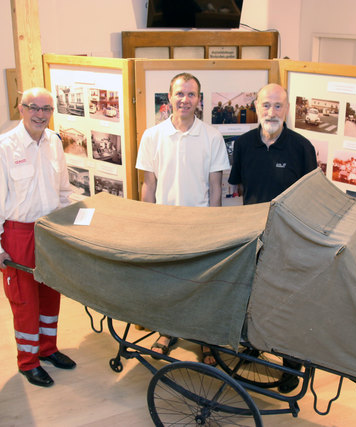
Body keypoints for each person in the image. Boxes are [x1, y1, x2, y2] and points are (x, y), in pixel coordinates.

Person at [0, 87, 76, 388]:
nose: (40, 114)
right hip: (18, 235)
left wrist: (70, 227)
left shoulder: (55, 142)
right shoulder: (2, 148)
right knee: (24, 302)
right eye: (33, 107)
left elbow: (63, 191)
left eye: (46, 109)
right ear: (20, 109)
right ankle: (28, 362)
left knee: (50, 295)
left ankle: (48, 350)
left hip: (49, 232)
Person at [228, 83, 317, 393]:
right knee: (253, 297)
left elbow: (311, 195)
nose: (271, 112)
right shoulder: (242, 145)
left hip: (290, 240)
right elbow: (240, 189)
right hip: (254, 235)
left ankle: (291, 366)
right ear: (256, 106)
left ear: (287, 109)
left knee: (286, 303)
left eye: (278, 106)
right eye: (266, 105)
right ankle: (254, 347)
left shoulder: (302, 148)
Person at [135, 72, 230, 365]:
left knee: (203, 286)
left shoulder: (212, 137)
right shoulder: (152, 136)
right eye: (179, 94)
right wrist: (146, 223)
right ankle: (166, 332)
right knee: (168, 284)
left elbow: (216, 188)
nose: (185, 100)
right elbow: (148, 185)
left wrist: (213, 229)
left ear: (199, 100)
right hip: (165, 224)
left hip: (200, 225)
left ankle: (205, 339)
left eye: (191, 94)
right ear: (169, 97)